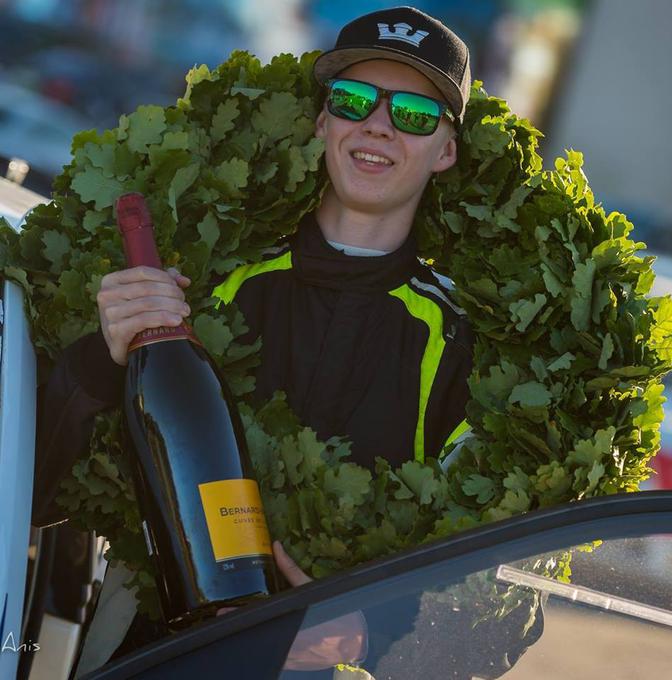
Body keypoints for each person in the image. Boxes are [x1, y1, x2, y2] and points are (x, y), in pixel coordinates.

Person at [31, 5, 499, 675]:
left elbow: (502, 580)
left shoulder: (464, 343)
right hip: (152, 655)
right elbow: (36, 497)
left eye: (415, 114)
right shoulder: (202, 279)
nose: (377, 126)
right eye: (355, 100)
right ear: (321, 120)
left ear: (446, 149)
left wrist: (366, 632)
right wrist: (100, 360)